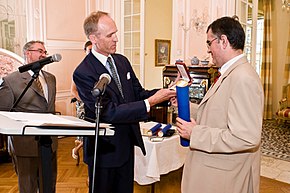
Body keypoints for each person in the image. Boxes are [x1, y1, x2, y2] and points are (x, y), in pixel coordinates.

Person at [73, 11, 176, 193]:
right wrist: (150, 102)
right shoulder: (83, 72)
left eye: (116, 32)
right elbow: (107, 112)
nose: (116, 39)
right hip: (104, 152)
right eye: (110, 35)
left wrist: (165, 94)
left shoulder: (122, 61)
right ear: (93, 38)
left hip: (126, 145)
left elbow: (138, 93)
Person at [175, 16, 264, 193]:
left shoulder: (243, 78)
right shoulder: (229, 73)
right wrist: (184, 106)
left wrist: (196, 133)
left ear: (223, 41)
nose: (208, 50)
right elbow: (216, 113)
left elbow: (246, 137)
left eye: (209, 43)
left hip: (224, 179)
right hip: (214, 171)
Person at [0, 40, 58, 193]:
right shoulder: (11, 80)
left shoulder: (51, 78)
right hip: (25, 145)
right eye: (40, 51)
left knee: (49, 185)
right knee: (28, 187)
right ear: (28, 53)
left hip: (49, 142)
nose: (44, 55)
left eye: (45, 52)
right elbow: (4, 111)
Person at [71, 40, 93, 164]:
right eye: (89, 50)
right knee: (87, 132)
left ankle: (78, 149)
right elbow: (73, 91)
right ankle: (77, 149)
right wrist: (86, 100)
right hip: (83, 105)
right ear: (85, 51)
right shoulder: (80, 69)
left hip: (95, 105)